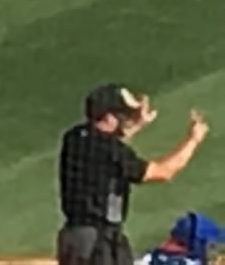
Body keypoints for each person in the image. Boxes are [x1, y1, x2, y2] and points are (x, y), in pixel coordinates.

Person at [58, 84, 207, 265]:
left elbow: (111, 144)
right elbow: (164, 172)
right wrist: (193, 140)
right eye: (123, 116)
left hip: (73, 239)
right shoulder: (113, 151)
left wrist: (138, 124)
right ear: (109, 118)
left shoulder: (74, 137)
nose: (126, 120)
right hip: (100, 244)